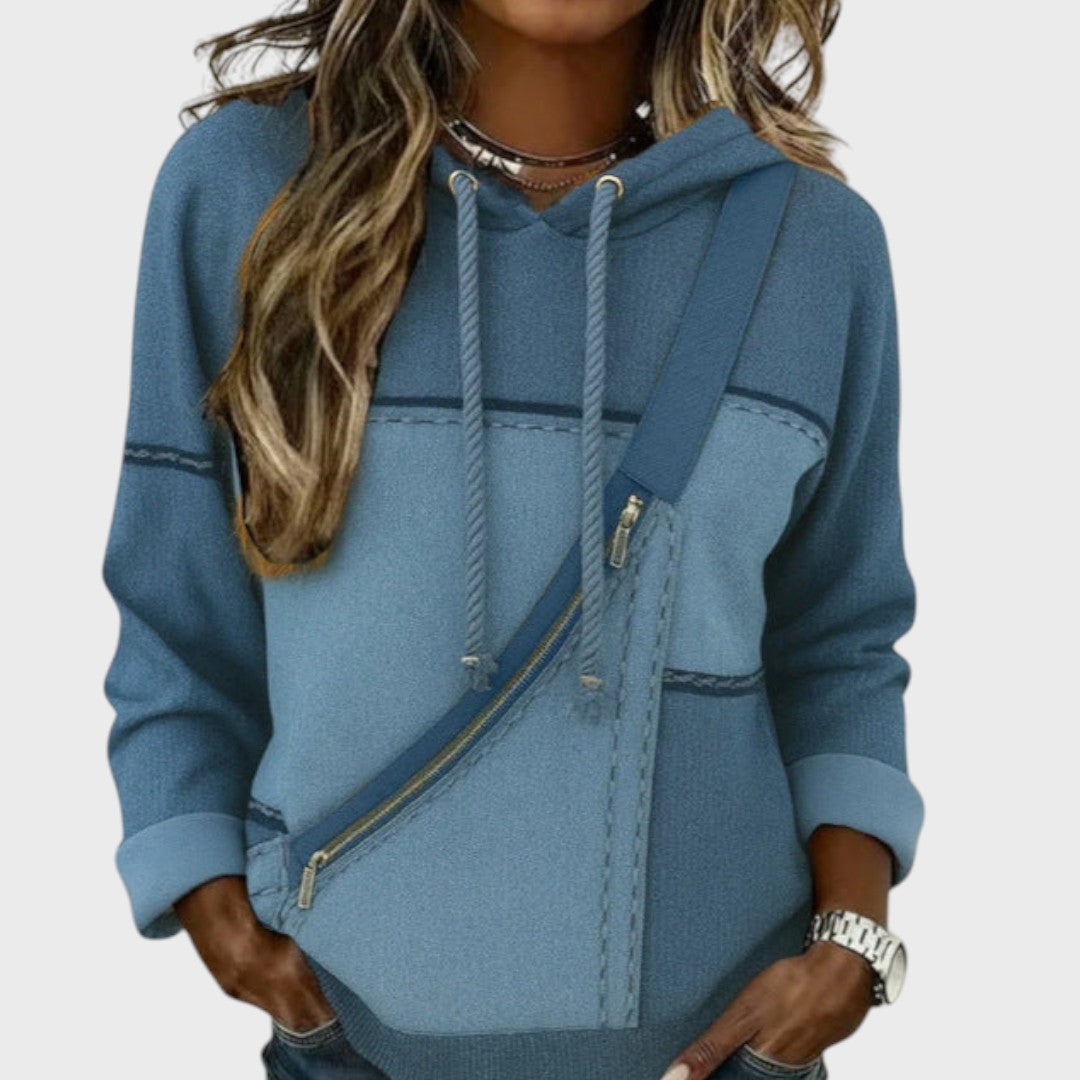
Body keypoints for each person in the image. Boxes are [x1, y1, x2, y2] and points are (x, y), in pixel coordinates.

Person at [101, 2, 925, 1079]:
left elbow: (839, 642)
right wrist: (213, 908)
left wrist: (850, 949)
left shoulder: (812, 245)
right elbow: (176, 607)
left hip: (723, 1058)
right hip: (353, 1052)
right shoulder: (252, 193)